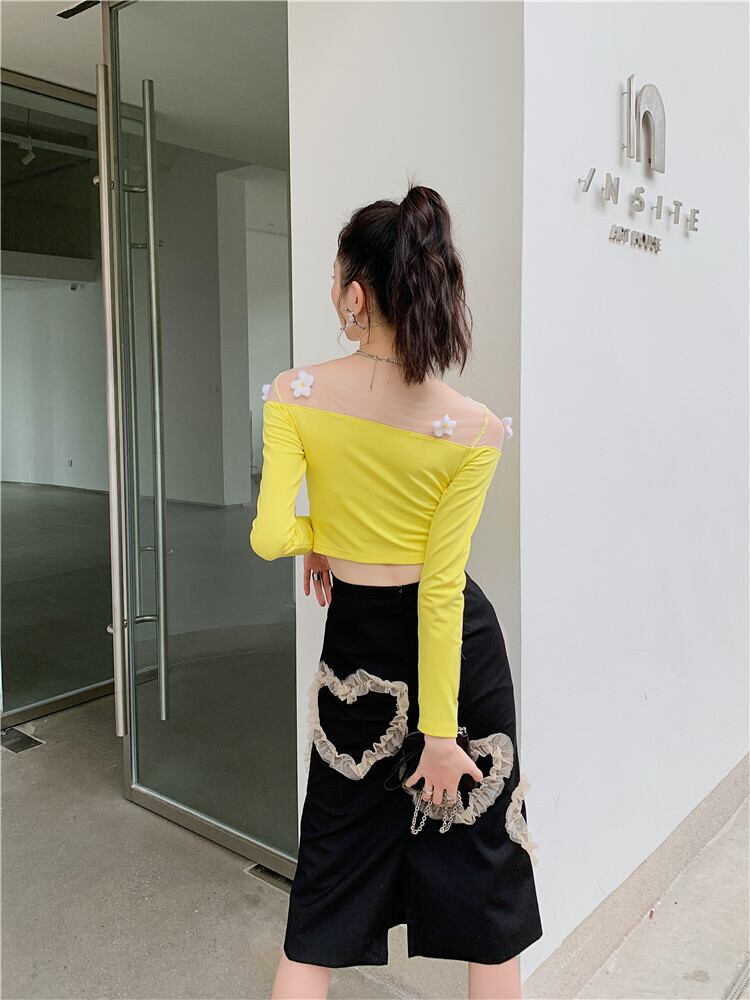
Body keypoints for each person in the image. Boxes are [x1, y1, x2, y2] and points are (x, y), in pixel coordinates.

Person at [250, 183, 542, 1000]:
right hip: (461, 656)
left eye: (334, 280)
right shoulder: (474, 427)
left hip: (359, 649)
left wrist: (322, 535)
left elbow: (270, 536)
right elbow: (441, 587)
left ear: (355, 294)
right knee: (490, 885)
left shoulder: (295, 395)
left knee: (325, 886)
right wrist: (442, 732)